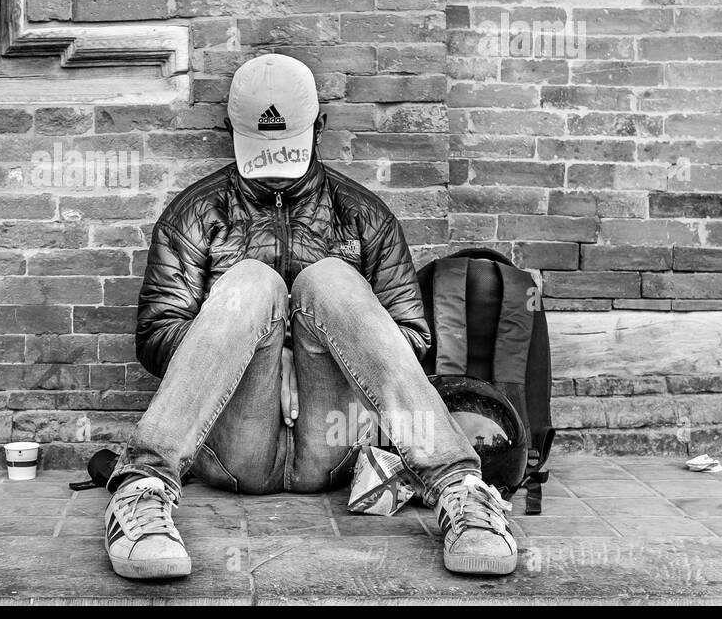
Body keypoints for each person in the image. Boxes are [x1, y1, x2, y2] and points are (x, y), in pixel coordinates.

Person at [104, 53, 517, 580]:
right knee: (252, 282)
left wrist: (314, 343)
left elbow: (412, 340)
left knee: (330, 279)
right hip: (236, 444)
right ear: (231, 127)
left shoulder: (363, 214)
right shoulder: (196, 212)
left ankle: (460, 489)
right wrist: (262, 351)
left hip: (335, 438)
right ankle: (142, 488)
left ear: (319, 125)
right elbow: (157, 335)